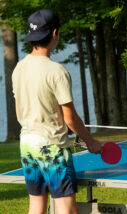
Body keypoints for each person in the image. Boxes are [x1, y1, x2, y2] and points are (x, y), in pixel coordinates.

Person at [12, 9, 103, 214]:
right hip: (51, 147)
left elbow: (21, 108)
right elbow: (70, 117)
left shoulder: (19, 68)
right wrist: (90, 141)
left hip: (27, 144)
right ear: (55, 34)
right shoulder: (57, 72)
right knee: (66, 209)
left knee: (36, 206)